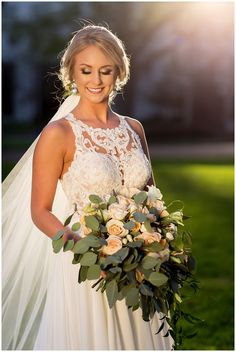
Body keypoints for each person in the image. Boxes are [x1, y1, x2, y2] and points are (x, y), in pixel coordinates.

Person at [2, 24, 173, 350]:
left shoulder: (134, 128)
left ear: (118, 72)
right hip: (89, 263)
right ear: (71, 73)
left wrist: (159, 242)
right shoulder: (59, 134)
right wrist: (86, 250)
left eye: (105, 71)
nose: (96, 80)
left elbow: (154, 197)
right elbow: (40, 210)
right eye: (86, 70)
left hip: (142, 263)